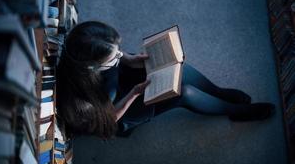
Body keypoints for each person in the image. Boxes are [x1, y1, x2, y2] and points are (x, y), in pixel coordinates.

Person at [56, 21, 275, 140]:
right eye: (114, 57)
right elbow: (109, 118)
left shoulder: (84, 47)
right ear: (93, 66)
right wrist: (134, 93)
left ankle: (219, 92)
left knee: (177, 68)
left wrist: (130, 60)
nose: (120, 55)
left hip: (119, 84)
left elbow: (119, 58)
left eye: (119, 50)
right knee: (184, 93)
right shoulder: (77, 101)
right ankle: (236, 112)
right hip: (116, 112)